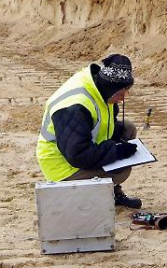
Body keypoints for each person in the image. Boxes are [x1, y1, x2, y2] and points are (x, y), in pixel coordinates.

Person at [36, 54, 143, 209]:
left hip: (76, 147)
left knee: (128, 129)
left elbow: (103, 123)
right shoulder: (75, 105)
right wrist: (117, 151)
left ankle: (110, 191)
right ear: (111, 88)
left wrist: (118, 142)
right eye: (121, 93)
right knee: (121, 172)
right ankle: (103, 193)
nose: (123, 99)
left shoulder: (100, 89)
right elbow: (78, 155)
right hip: (62, 166)